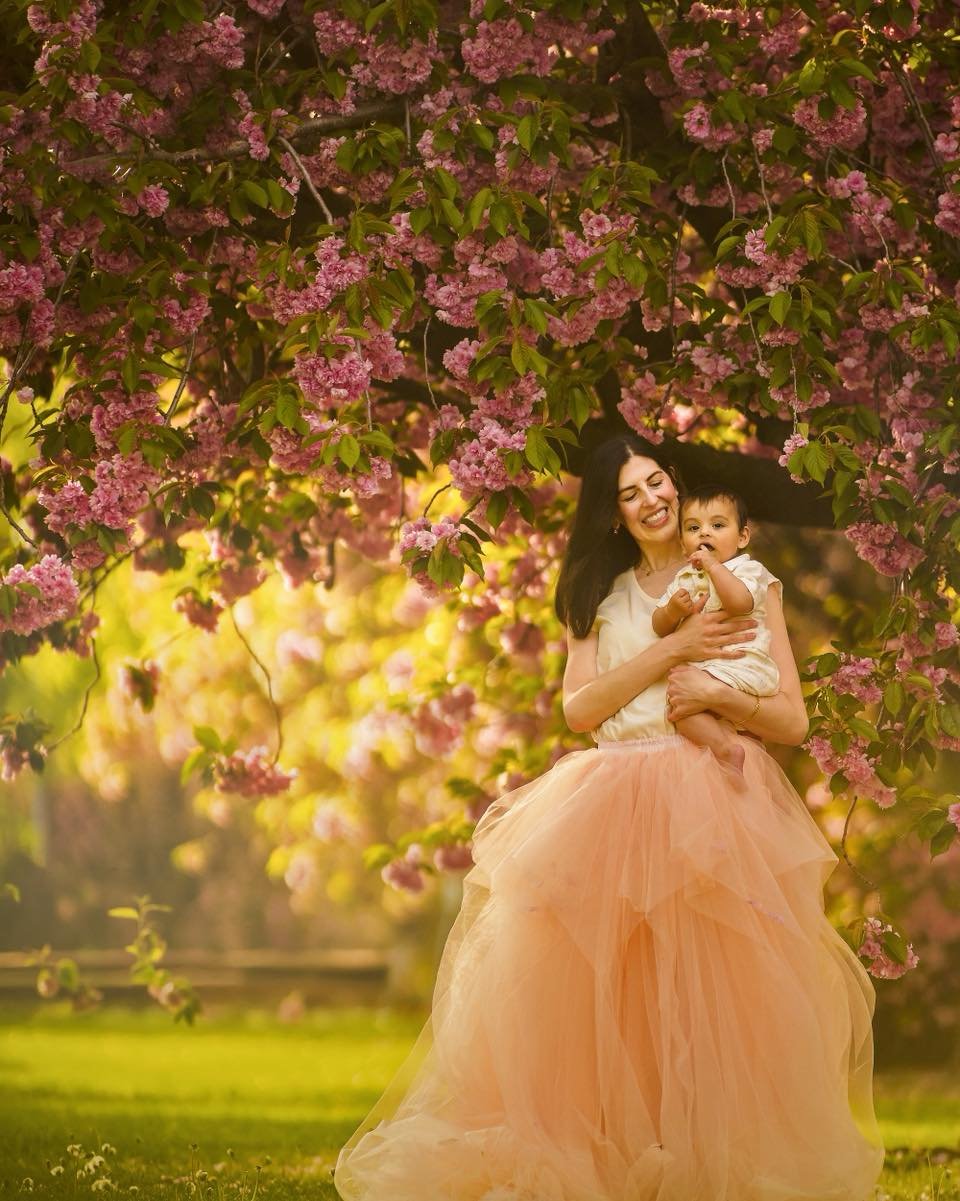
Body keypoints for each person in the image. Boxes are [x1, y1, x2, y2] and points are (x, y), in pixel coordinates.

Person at [333, 433, 885, 1201]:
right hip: (613, 799)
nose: (653, 500)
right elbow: (580, 706)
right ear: (614, 513)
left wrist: (719, 694)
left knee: (711, 990)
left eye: (658, 482)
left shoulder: (742, 579)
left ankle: (700, 1160)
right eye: (632, 493)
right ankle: (611, 1159)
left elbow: (790, 718)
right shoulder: (599, 593)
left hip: (713, 798)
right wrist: (675, 649)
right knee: (603, 995)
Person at [650, 485, 781, 777]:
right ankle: (726, 746)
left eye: (718, 525)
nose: (704, 533)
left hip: (742, 664)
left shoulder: (748, 570)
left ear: (742, 537)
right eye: (693, 528)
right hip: (712, 671)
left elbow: (739, 603)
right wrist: (672, 610)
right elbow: (659, 626)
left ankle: (724, 748)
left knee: (684, 701)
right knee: (681, 713)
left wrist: (711, 565)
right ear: (683, 542)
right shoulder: (684, 577)